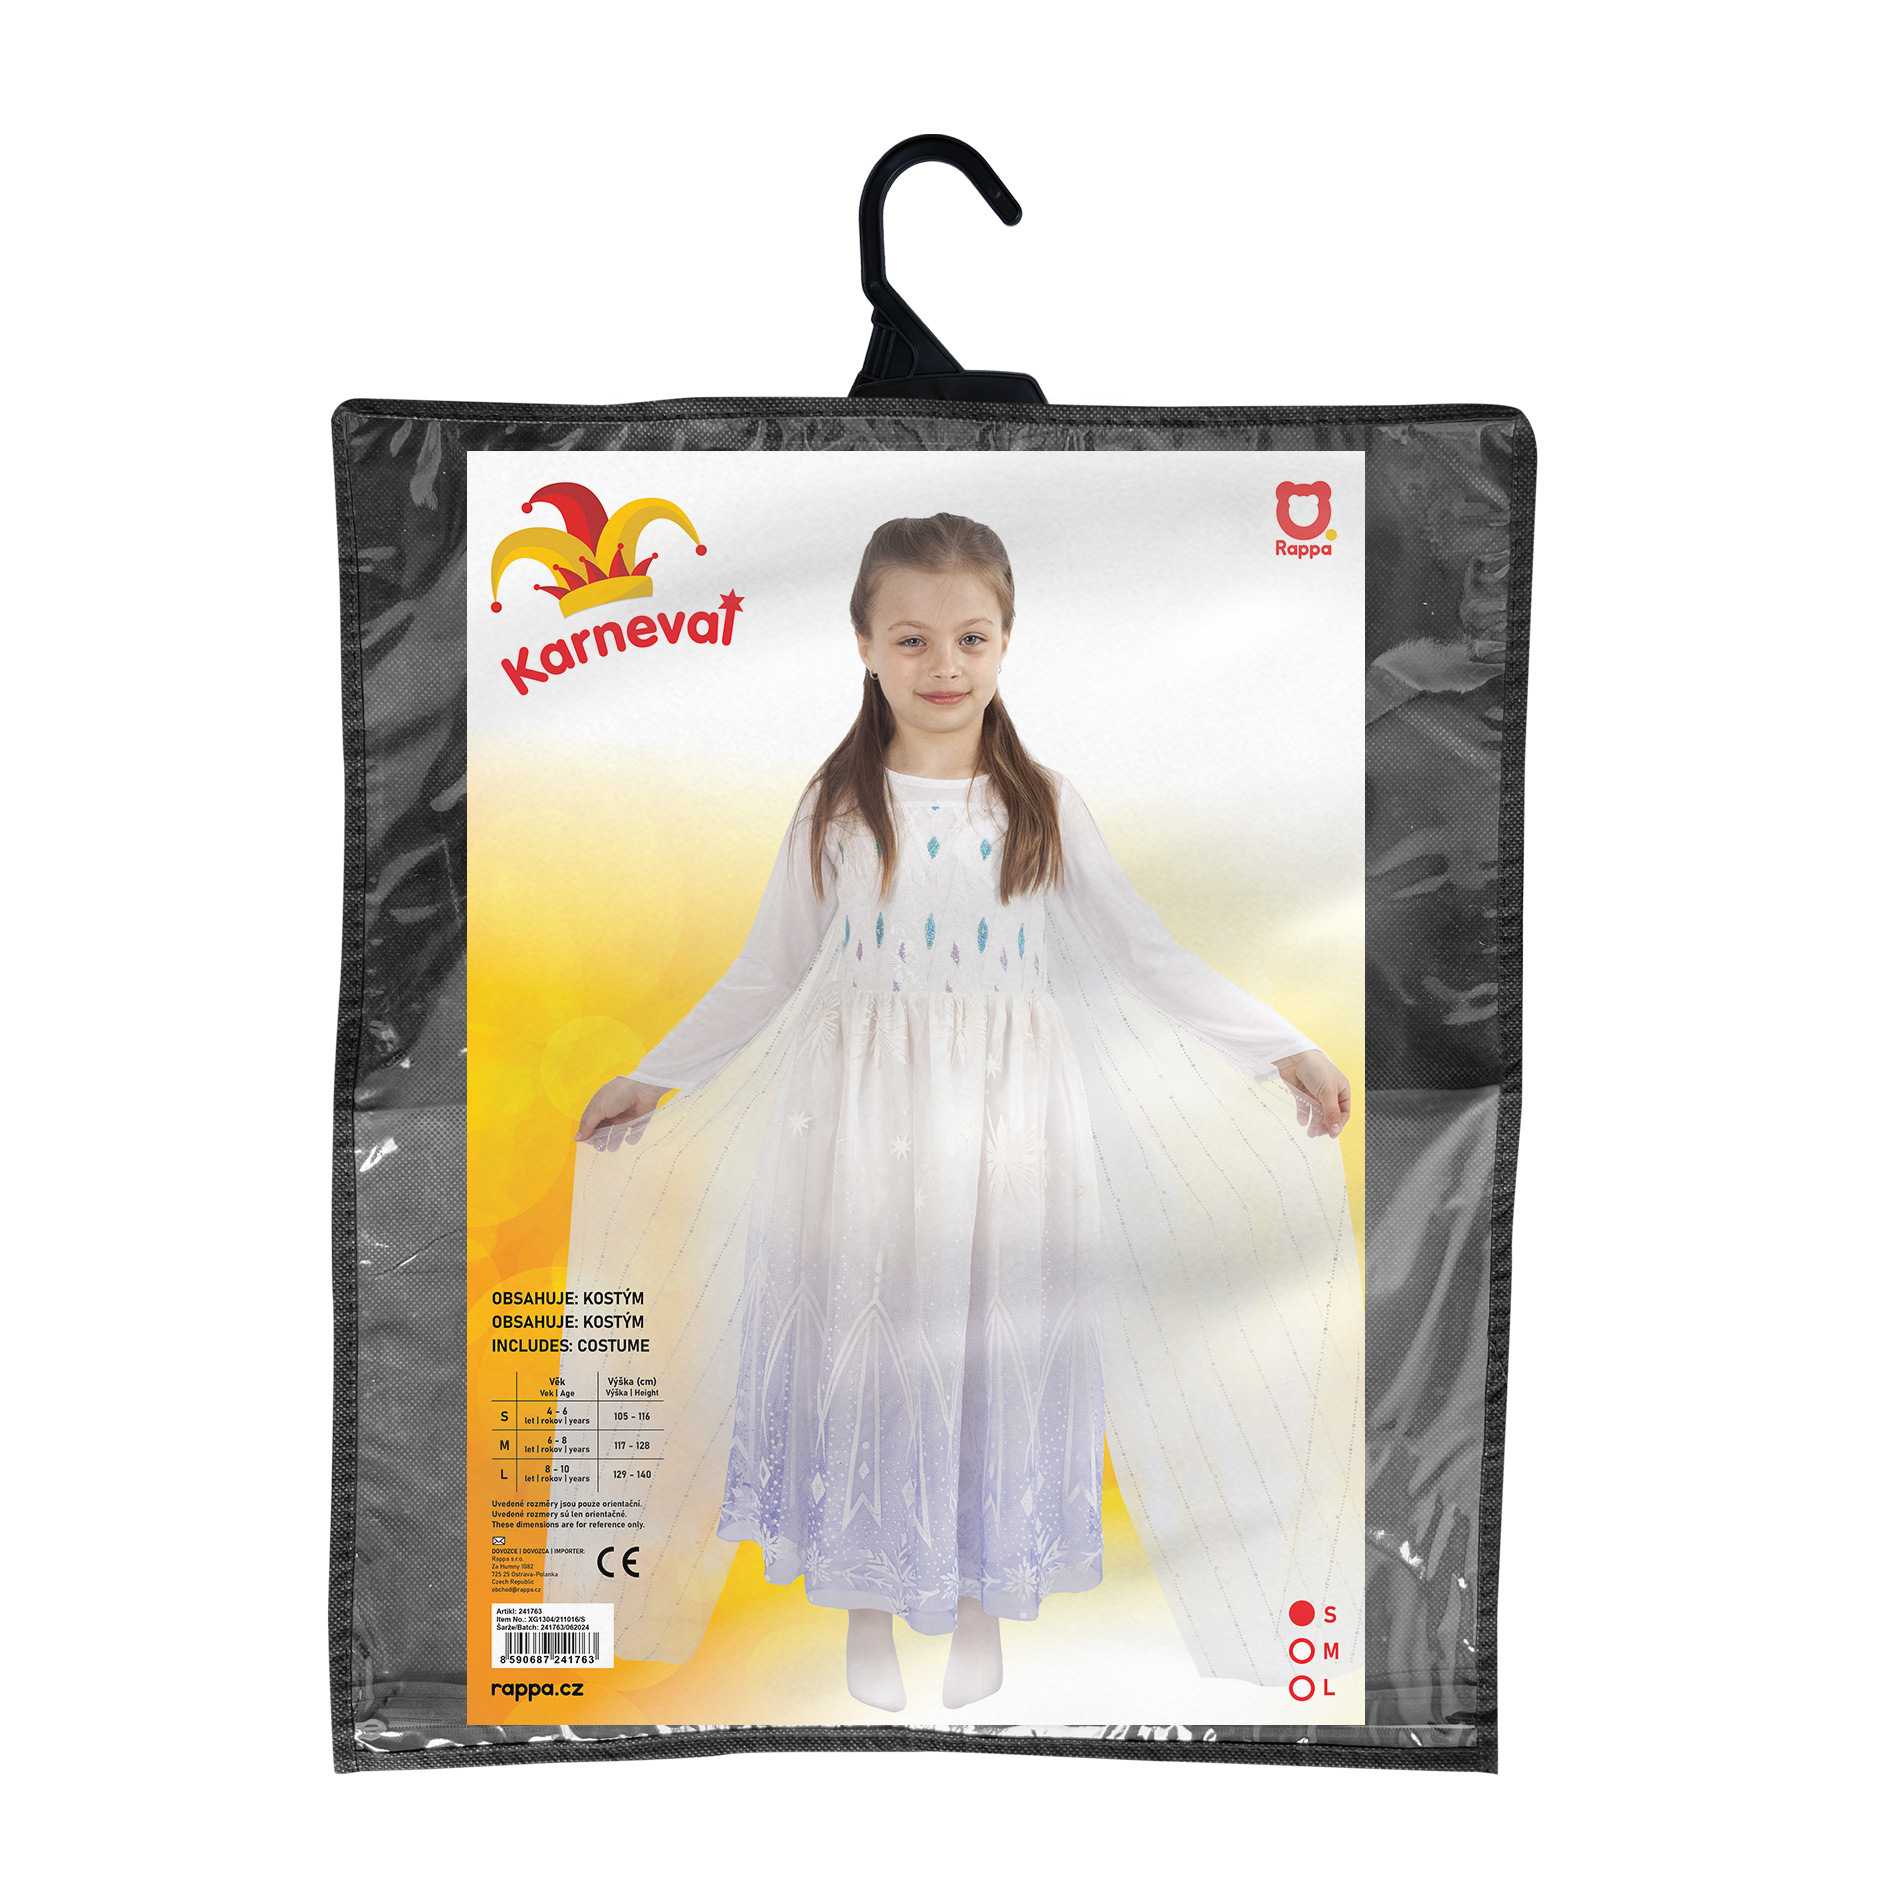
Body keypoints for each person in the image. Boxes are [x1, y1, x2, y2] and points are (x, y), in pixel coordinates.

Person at [573, 513, 1356, 1713]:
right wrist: (656, 1076)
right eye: (912, 639)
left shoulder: (1040, 802)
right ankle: (866, 1602)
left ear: (1005, 641)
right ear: (863, 644)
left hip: (1010, 1130)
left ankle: (982, 1598)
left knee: (994, 1343)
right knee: (871, 1353)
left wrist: (1280, 1045)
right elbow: (769, 969)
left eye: (971, 638)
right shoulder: (835, 806)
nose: (943, 664)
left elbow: (1144, 951)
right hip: (857, 1131)